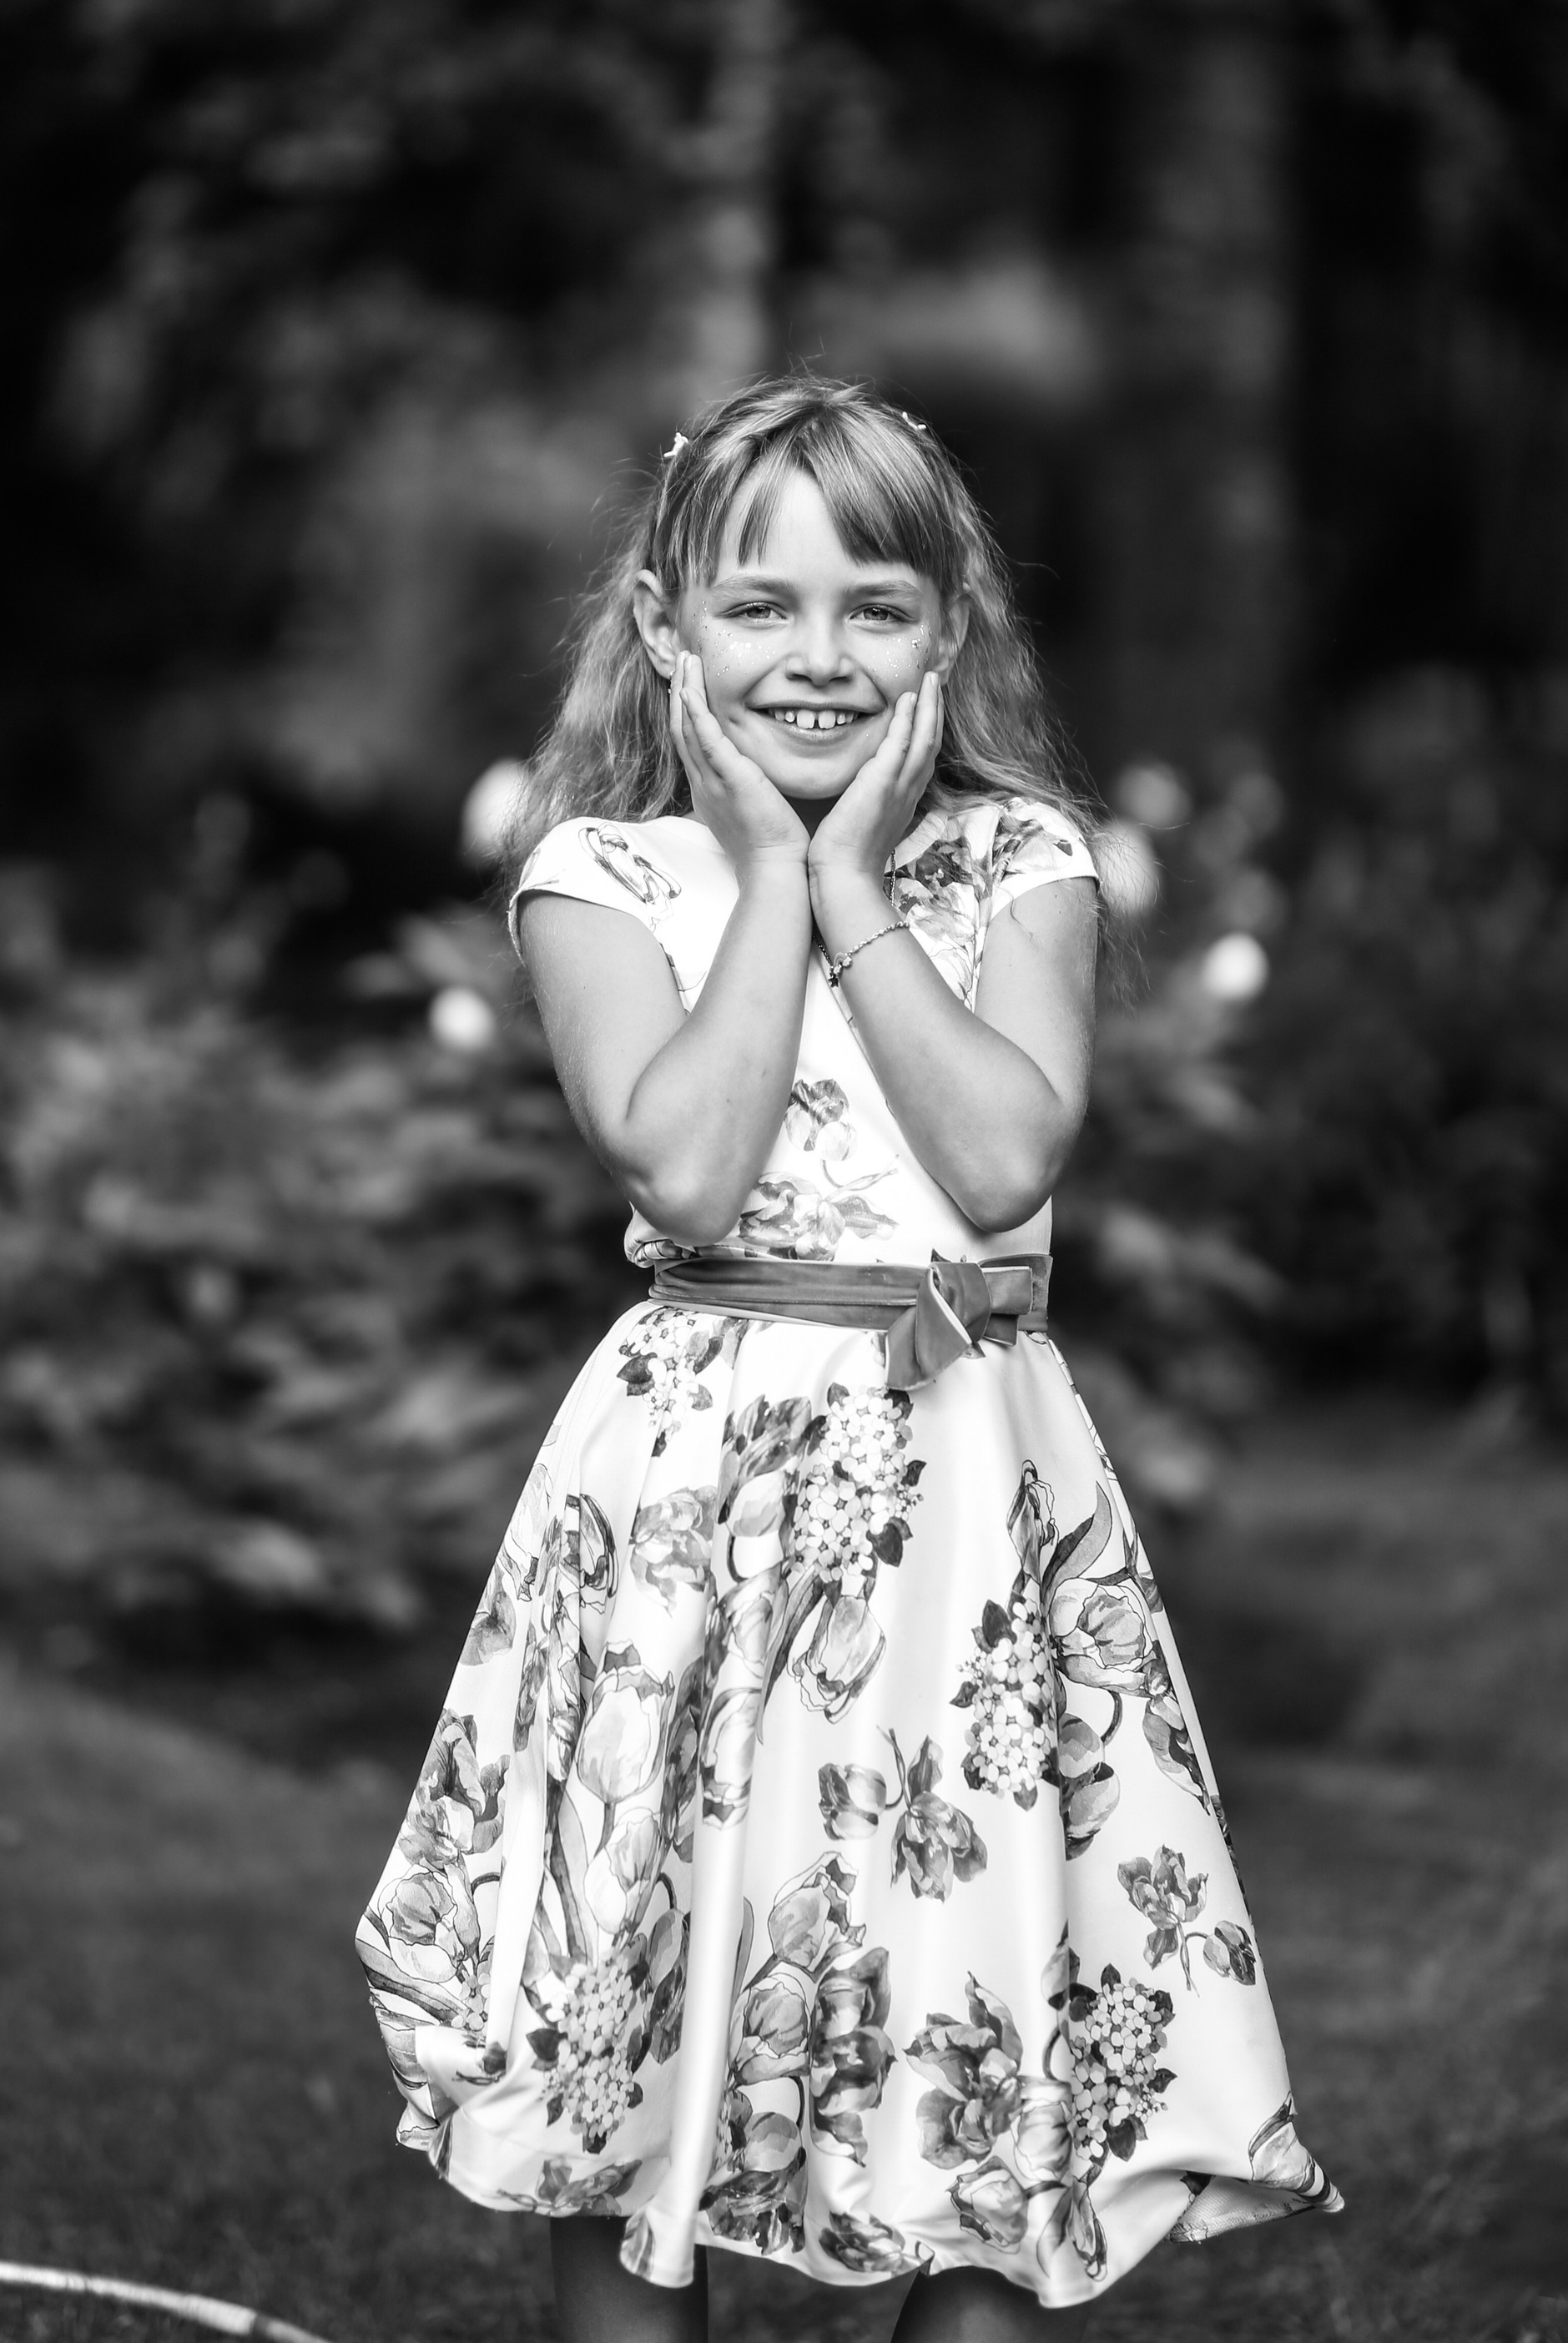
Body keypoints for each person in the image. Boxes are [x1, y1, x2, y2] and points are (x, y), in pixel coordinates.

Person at [356, 375, 1339, 2343]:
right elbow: (688, 1169)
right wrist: (764, 872)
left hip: (964, 1497)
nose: (818, 656)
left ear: (946, 629)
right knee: (637, 1989)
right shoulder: (603, 877)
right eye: (761, 606)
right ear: (668, 628)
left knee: (970, 1972)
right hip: (690, 1507)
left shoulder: (1021, 863)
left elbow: (1000, 1158)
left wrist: (858, 888)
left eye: (874, 607)